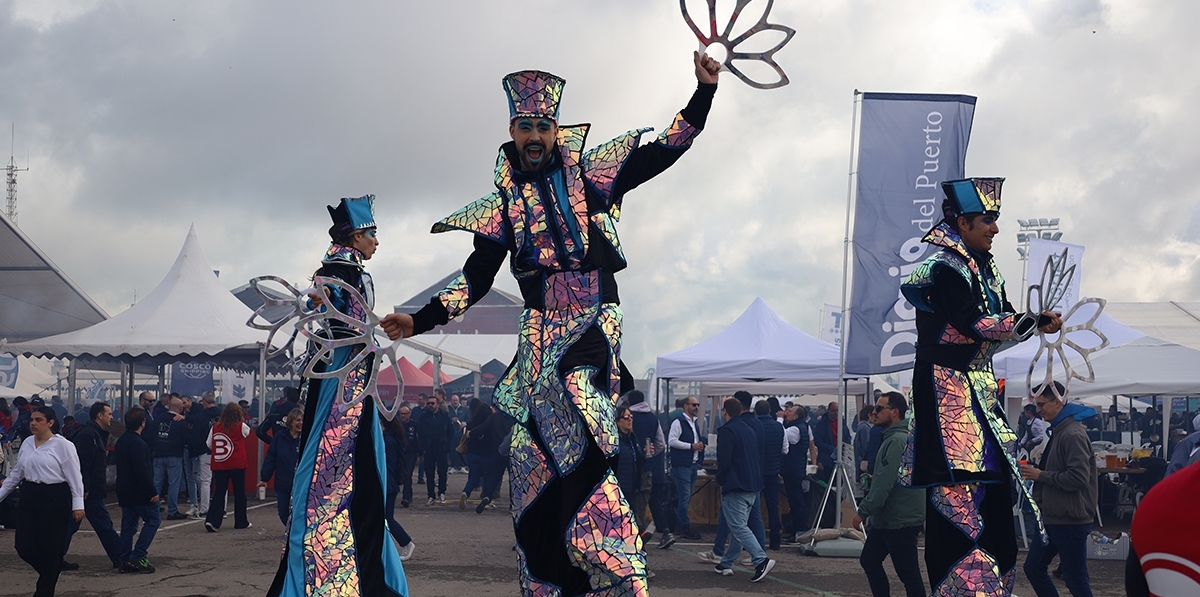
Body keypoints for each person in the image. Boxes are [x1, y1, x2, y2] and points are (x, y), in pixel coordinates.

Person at [379, 52, 720, 596]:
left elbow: (664, 151)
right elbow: (474, 281)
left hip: (591, 320)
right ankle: (551, 577)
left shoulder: (591, 178)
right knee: (533, 455)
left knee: (579, 395)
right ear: (512, 131)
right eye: (525, 126)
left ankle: (609, 559)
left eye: (543, 125)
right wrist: (417, 319)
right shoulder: (500, 208)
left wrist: (703, 92)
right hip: (537, 331)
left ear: (557, 129)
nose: (534, 134)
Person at [898, 177, 1063, 595]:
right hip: (946, 395)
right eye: (987, 220)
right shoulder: (942, 268)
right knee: (959, 496)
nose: (994, 228)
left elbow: (1003, 320)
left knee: (992, 492)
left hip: (979, 392)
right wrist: (1027, 321)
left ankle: (992, 585)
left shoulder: (986, 269)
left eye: (995, 219)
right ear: (963, 224)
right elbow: (974, 324)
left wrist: (1032, 321)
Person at [266, 195, 408, 597]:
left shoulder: (333, 271)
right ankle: (336, 571)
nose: (376, 243)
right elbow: (341, 323)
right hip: (344, 384)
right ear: (356, 236)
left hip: (339, 377)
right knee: (339, 467)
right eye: (372, 235)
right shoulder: (344, 273)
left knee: (336, 464)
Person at [1020, 382, 1098, 597]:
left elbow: (1079, 478)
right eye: (1037, 405)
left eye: (1042, 404)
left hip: (1070, 519)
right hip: (1054, 516)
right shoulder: (1060, 431)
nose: (1038, 410)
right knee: (1034, 568)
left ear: (1057, 402)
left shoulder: (1071, 434)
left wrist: (1041, 475)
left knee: (1075, 580)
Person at [0, 406, 84, 596]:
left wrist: (78, 504)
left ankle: (44, 589)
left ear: (50, 423)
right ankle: (50, 571)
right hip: (30, 495)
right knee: (23, 545)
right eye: (32, 420)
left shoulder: (63, 445)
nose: (33, 424)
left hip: (55, 496)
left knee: (51, 546)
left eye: (39, 420)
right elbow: (16, 474)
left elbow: (74, 477)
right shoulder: (28, 443)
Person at [851, 393, 926, 597]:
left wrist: (863, 511)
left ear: (894, 412)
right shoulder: (896, 437)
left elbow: (885, 481)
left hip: (901, 518)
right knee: (870, 560)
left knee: (908, 575)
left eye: (878, 408)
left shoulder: (898, 440)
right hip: (890, 518)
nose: (873, 412)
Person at [713, 398, 775, 583]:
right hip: (753, 484)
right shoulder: (749, 429)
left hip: (736, 484)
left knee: (738, 527)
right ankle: (727, 562)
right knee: (739, 526)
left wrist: (720, 480)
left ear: (725, 412)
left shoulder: (727, 431)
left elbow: (724, 461)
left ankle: (760, 559)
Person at [64, 402, 124, 570]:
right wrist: (85, 488)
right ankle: (120, 556)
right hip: (88, 492)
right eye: (109, 414)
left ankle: (54, 558)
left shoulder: (95, 433)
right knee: (104, 525)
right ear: (100, 415)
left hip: (88, 490)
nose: (111, 417)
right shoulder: (88, 434)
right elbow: (83, 464)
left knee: (71, 525)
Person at [114, 408, 160, 574]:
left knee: (128, 526)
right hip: (139, 491)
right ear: (143, 423)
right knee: (153, 520)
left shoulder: (122, 441)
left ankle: (124, 558)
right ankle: (138, 555)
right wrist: (152, 492)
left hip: (124, 489)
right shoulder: (139, 444)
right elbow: (143, 471)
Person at [627, 390, 674, 549]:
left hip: (636, 471)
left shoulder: (627, 418)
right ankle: (666, 533)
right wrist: (651, 455)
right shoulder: (653, 418)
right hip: (656, 470)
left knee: (637, 504)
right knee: (656, 502)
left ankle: (637, 537)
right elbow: (661, 443)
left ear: (629, 403)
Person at [204, 402, 251, 532]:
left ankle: (212, 521)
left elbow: (209, 443)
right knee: (239, 493)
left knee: (219, 492)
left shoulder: (215, 427)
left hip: (220, 463)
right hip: (237, 464)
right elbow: (247, 433)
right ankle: (241, 522)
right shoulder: (242, 426)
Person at [260, 408, 303, 526]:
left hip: (300, 483)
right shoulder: (279, 437)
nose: (301, 423)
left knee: (299, 512)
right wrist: (264, 478)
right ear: (290, 421)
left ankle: (294, 534)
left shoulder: (306, 439)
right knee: (283, 512)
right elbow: (271, 458)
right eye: (298, 420)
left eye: (302, 420)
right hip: (283, 482)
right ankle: (290, 529)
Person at [382, 415, 416, 561]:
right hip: (389, 483)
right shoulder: (391, 438)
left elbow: (387, 464)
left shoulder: (387, 440)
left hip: (387, 483)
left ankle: (406, 542)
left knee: (387, 518)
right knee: (383, 518)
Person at [754, 400, 786, 550]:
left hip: (757, 472)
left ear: (756, 412)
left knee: (754, 507)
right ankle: (775, 540)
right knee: (773, 506)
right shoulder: (779, 427)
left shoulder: (754, 426)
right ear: (769, 412)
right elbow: (785, 450)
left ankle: (753, 540)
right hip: (774, 471)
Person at [781, 404, 816, 541]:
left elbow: (781, 435)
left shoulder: (794, 429)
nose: (786, 413)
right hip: (798, 467)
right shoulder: (806, 427)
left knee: (796, 501)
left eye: (789, 411)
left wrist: (779, 420)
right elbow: (812, 445)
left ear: (796, 416)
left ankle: (800, 531)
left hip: (793, 469)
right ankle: (797, 529)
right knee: (797, 500)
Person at [153, 397, 189, 520]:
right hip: (174, 455)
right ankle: (172, 511)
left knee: (156, 483)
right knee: (173, 484)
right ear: (180, 408)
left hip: (158, 454)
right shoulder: (181, 422)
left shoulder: (158, 419)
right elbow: (186, 439)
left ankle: (153, 509)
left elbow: (152, 434)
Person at [184, 391, 219, 518]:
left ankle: (204, 509)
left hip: (205, 452)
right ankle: (222, 509)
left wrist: (197, 450)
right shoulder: (221, 414)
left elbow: (196, 435)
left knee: (205, 481)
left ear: (204, 401)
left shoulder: (200, 415)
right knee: (221, 481)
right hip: (221, 452)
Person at [417, 392, 454, 505]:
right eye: (428, 403)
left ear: (438, 404)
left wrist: (447, 446)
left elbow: (450, 432)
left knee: (442, 472)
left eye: (432, 403)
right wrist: (422, 448)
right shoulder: (423, 417)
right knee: (429, 474)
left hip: (441, 448)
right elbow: (420, 433)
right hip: (429, 449)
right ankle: (431, 495)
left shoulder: (444, 416)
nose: (430, 405)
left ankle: (442, 493)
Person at [397, 405, 419, 507]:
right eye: (401, 413)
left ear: (409, 414)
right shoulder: (396, 425)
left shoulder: (415, 425)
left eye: (405, 414)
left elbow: (418, 440)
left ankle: (406, 497)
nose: (403, 416)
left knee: (408, 475)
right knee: (399, 476)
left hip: (411, 454)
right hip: (399, 454)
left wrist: (419, 454)